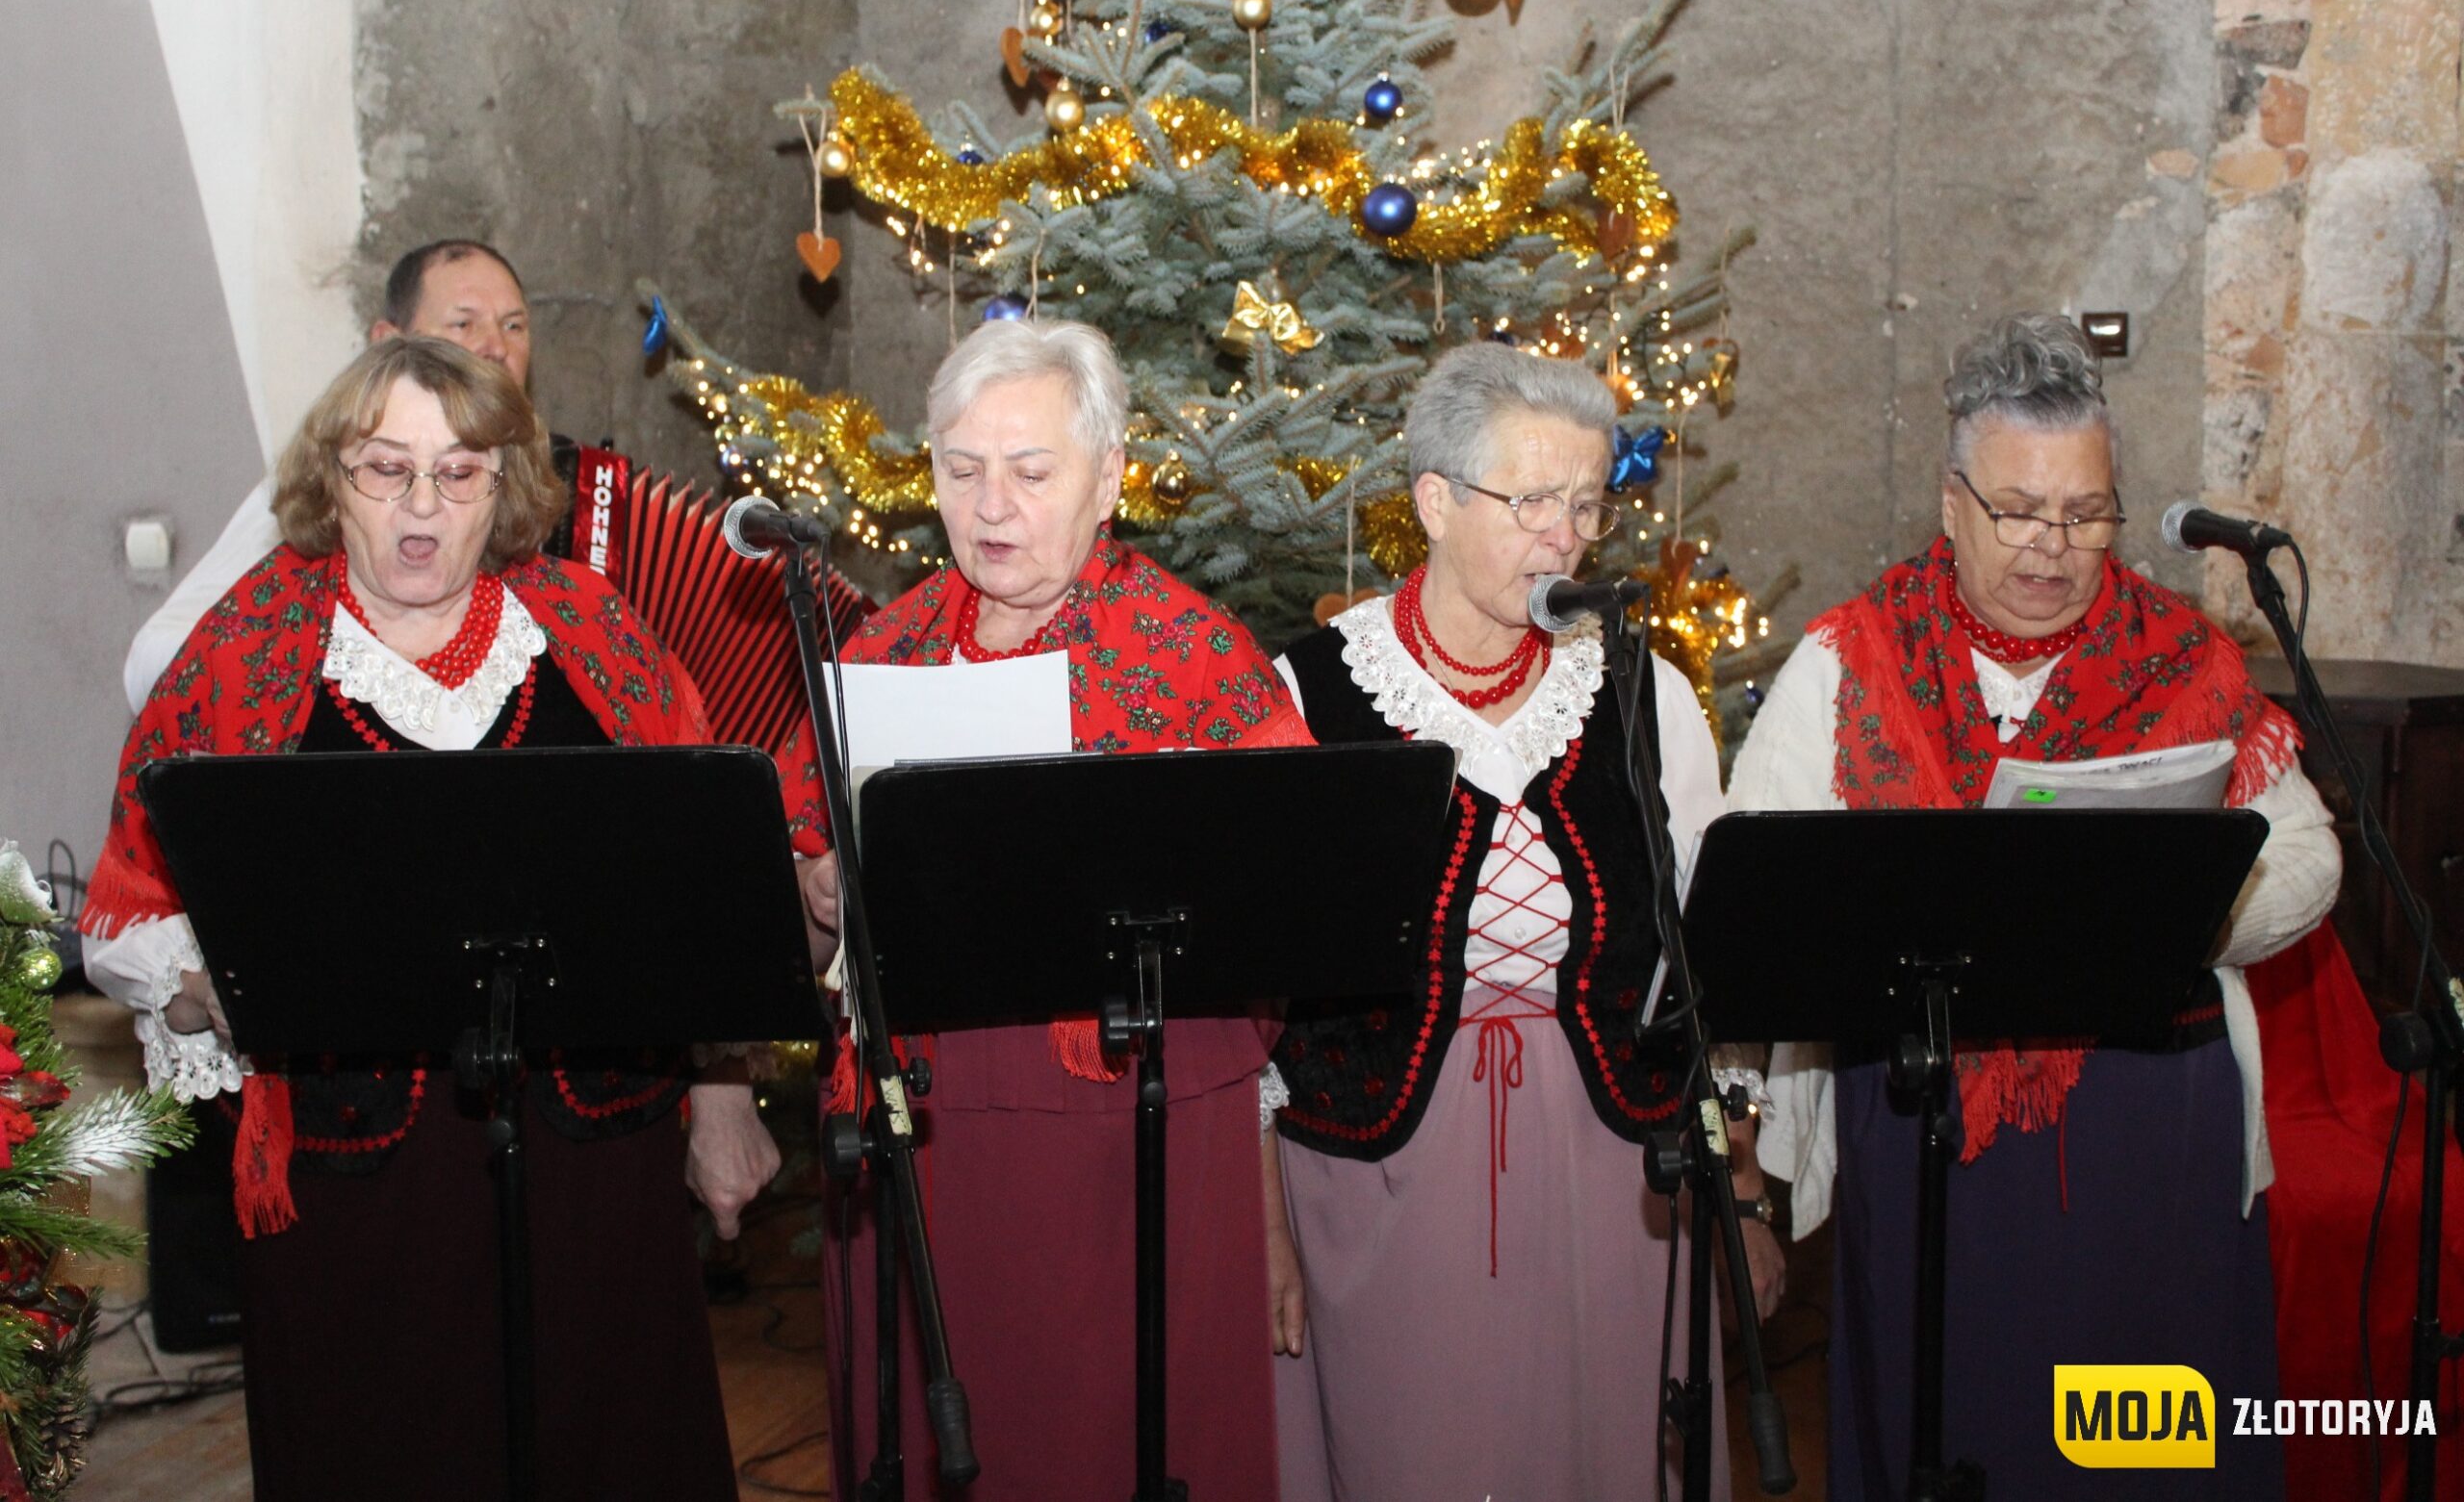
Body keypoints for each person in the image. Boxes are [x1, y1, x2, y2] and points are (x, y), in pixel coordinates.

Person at [81, 336, 779, 1501]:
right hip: (356, 1189)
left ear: (504, 487)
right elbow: (124, 906)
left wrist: (723, 1100)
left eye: (458, 473)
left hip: (595, 1167)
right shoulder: (242, 655)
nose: (421, 504)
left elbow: (704, 892)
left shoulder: (593, 631)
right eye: (385, 468)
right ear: (330, 481)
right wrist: (204, 987)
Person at [1731, 314, 2342, 1499]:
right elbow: (1753, 907)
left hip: (2149, 1121)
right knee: (1952, 1426)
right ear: (1950, 502)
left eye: (2084, 515)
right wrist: (1745, 1160)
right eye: (2017, 510)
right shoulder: (1853, 661)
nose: (2050, 549)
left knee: (2140, 1447)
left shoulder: (2184, 659)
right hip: (1925, 1126)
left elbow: (2310, 857)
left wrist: (2180, 913)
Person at [793, 318, 1310, 1501]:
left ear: (1108, 477)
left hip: (1124, 1135)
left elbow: (1285, 911)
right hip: (921, 1131)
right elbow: (792, 884)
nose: (991, 507)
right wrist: (819, 891)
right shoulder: (883, 651)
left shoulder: (1198, 658)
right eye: (961, 469)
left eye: (1030, 473)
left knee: (1105, 1442)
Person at [1267, 344, 1779, 1502]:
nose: (1564, 539)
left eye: (1586, 505)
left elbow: (1706, 962)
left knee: (1607, 1451)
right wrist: (1261, 1223)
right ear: (1434, 502)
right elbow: (1254, 995)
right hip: (1380, 1162)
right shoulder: (1309, 693)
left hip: (1617, 1161)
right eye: (1532, 501)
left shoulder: (1645, 692)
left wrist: (1741, 1188)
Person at [122, 240, 534, 712]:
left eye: (514, 326)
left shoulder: (566, 491)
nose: (496, 348)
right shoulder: (331, 486)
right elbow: (153, 662)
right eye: (463, 324)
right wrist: (309, 686)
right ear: (387, 342)